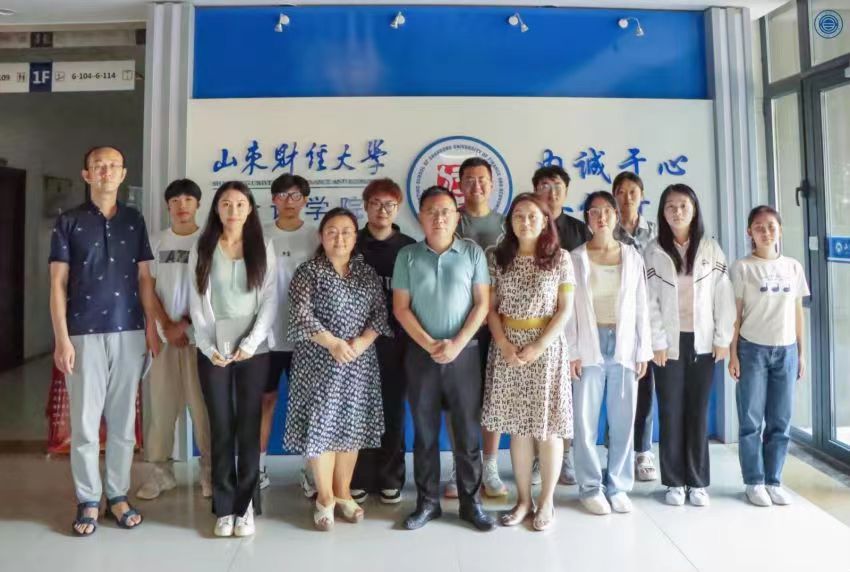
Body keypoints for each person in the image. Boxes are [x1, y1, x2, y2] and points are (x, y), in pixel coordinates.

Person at [49, 146, 159, 535]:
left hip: (129, 330)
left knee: (123, 422)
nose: (106, 172)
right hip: (83, 333)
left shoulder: (134, 220)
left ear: (123, 174)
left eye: (113, 166)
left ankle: (117, 494)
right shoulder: (69, 221)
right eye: (98, 166)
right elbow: (58, 283)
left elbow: (144, 278)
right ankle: (88, 500)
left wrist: (151, 327)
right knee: (84, 423)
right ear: (87, 175)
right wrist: (61, 339)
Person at [393, 186, 495, 532]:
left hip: (464, 355)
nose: (439, 218)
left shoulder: (472, 253)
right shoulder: (407, 255)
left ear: (456, 216)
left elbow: (482, 303)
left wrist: (457, 343)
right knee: (424, 434)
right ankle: (427, 503)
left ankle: (471, 503)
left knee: (467, 433)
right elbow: (401, 308)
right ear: (420, 216)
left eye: (446, 211)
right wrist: (429, 344)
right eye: (431, 211)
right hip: (420, 356)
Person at [283, 208, 392, 531]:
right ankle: (325, 498)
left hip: (358, 363)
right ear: (321, 236)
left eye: (346, 231)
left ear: (356, 237)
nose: (339, 238)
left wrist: (362, 342)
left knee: (351, 428)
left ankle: (344, 493)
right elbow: (301, 314)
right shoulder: (308, 271)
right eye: (332, 231)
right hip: (318, 363)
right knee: (323, 429)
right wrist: (332, 343)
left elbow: (380, 314)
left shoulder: (365, 273)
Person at [189, 181, 277, 537]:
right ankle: (224, 507)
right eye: (226, 203)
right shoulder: (204, 247)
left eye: (240, 204)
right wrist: (209, 346)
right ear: (216, 209)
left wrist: (251, 343)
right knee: (221, 425)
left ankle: (246, 506)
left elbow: (270, 299)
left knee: (248, 426)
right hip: (214, 349)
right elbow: (197, 302)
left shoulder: (262, 247)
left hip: (254, 350)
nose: (233, 210)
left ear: (250, 209)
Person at [483, 193, 575, 531]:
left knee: (547, 429)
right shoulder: (498, 257)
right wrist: (504, 344)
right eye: (519, 216)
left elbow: (565, 310)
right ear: (510, 221)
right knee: (518, 429)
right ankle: (523, 500)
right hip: (507, 348)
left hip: (546, 350)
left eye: (533, 216)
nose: (525, 222)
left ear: (545, 220)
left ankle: (546, 501)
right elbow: (491, 309)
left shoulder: (560, 258)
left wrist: (539, 345)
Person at [644, 184, 735, 507]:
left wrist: (722, 338)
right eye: (670, 206)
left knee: (698, 410)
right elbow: (648, 301)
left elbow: (723, 295)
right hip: (667, 343)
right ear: (662, 212)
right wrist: (656, 341)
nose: (677, 211)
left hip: (703, 341)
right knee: (670, 411)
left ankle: (696, 482)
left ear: (694, 210)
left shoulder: (711, 249)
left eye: (683, 205)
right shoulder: (653, 250)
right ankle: (673, 482)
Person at [568, 191, 652, 515]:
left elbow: (641, 305)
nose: (601, 217)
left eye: (607, 211)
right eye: (594, 211)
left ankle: (618, 485)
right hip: (588, 344)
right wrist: (572, 351)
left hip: (624, 345)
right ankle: (590, 487)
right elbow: (568, 310)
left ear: (617, 216)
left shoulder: (632, 257)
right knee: (584, 422)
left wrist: (642, 350)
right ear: (587, 218)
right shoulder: (574, 258)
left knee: (622, 420)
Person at [137, 178, 212, 501]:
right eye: (176, 201)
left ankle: (209, 473)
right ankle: (160, 474)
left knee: (204, 410)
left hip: (202, 340)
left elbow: (214, 291)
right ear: (168, 206)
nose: (182, 206)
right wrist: (161, 327)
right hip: (164, 339)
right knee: (162, 408)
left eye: (188, 200)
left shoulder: (209, 241)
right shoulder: (156, 242)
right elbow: (147, 287)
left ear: (198, 204)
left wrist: (184, 325)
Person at [729, 206, 809, 507]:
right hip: (752, 350)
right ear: (749, 232)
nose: (766, 232)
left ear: (780, 230)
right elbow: (735, 315)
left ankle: (774, 480)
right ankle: (754, 481)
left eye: (771, 226)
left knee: (781, 420)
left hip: (786, 351)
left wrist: (801, 353)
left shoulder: (793, 267)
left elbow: (798, 313)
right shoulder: (742, 267)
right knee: (751, 421)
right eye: (759, 227)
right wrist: (733, 354)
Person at [350, 179, 416, 505]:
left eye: (389, 204)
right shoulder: (352, 243)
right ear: (365, 206)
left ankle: (391, 476)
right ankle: (359, 476)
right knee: (358, 410)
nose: (382, 210)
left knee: (393, 409)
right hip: (355, 343)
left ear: (398, 208)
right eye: (376, 203)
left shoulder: (409, 247)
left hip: (397, 342)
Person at [261, 173, 320, 494]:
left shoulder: (316, 236)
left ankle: (310, 471)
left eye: (296, 196)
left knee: (308, 405)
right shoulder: (260, 234)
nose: (289, 202)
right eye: (282, 195)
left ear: (305, 200)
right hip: (267, 336)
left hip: (306, 338)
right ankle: (258, 469)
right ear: (273, 199)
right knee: (264, 401)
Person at [532, 165, 590, 485]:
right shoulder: (527, 223)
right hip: (530, 323)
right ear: (534, 190)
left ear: (566, 192)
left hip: (570, 321)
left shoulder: (580, 230)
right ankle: (537, 459)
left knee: (564, 395)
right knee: (534, 394)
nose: (551, 192)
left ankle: (564, 455)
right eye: (544, 185)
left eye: (557, 186)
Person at [455, 156, 507, 498]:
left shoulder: (507, 224)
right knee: (461, 399)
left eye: (482, 179)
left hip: (500, 323)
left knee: (494, 395)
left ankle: (489, 465)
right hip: (461, 324)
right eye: (469, 179)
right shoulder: (451, 221)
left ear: (492, 183)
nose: (476, 185)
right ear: (460, 184)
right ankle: (461, 466)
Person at [611, 171, 659, 482]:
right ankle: (616, 449)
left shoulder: (656, 232)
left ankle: (643, 451)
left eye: (633, 192)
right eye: (621, 192)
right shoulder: (606, 230)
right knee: (614, 387)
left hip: (649, 317)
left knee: (645, 385)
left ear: (641, 196)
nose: (627, 198)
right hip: (614, 319)